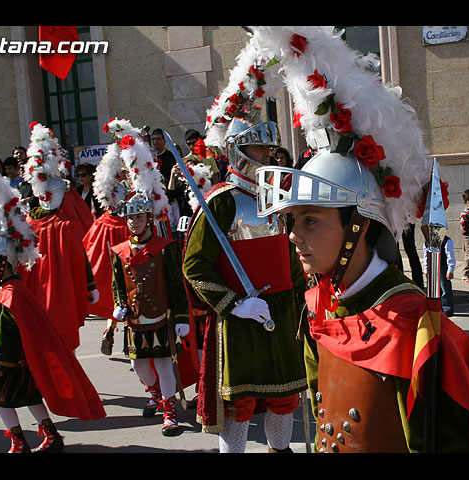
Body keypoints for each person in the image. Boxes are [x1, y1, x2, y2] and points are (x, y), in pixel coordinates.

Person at [251, 25, 469, 453]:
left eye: (311, 222)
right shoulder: (320, 303)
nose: (294, 237)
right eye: (291, 222)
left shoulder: (417, 331)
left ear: (358, 226)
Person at [184, 41, 307, 452]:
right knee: (240, 403)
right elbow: (195, 266)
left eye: (269, 148)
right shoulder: (220, 200)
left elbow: (290, 253)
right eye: (259, 148)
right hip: (242, 315)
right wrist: (235, 304)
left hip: (283, 310)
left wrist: (302, 298)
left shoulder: (277, 196)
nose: (268, 155)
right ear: (237, 150)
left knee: (285, 397)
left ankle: (280, 450)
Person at [0, 161, 105, 453]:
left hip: (7, 364)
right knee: (29, 397)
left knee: (1, 399)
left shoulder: (11, 292)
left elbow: (4, 333)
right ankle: (50, 435)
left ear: (2, 263)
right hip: (18, 361)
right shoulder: (7, 287)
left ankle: (19, 440)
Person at [110, 194, 197, 436]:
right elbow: (117, 284)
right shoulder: (118, 251)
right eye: (129, 218)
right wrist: (119, 303)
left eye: (138, 217)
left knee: (164, 365)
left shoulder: (166, 248)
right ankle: (155, 393)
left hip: (161, 318)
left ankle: (169, 410)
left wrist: (181, 318)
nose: (133, 222)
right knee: (139, 367)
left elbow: (177, 286)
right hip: (135, 320)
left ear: (148, 219)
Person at [21, 122, 99, 351]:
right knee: (64, 342)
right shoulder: (65, 225)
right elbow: (80, 259)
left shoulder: (28, 223)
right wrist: (90, 286)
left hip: (36, 290)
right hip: (60, 289)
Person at [82, 131, 130, 355]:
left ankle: (110, 329)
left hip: (106, 226)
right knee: (127, 284)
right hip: (124, 229)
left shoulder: (107, 181)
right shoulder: (125, 183)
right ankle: (122, 333)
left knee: (113, 285)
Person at [423, 234, 455, 317]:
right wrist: (426, 270)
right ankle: (438, 308)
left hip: (443, 267)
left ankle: (447, 308)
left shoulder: (446, 241)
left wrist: (450, 270)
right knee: (435, 290)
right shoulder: (427, 242)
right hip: (432, 267)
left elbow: (450, 256)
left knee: (445, 289)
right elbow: (426, 257)